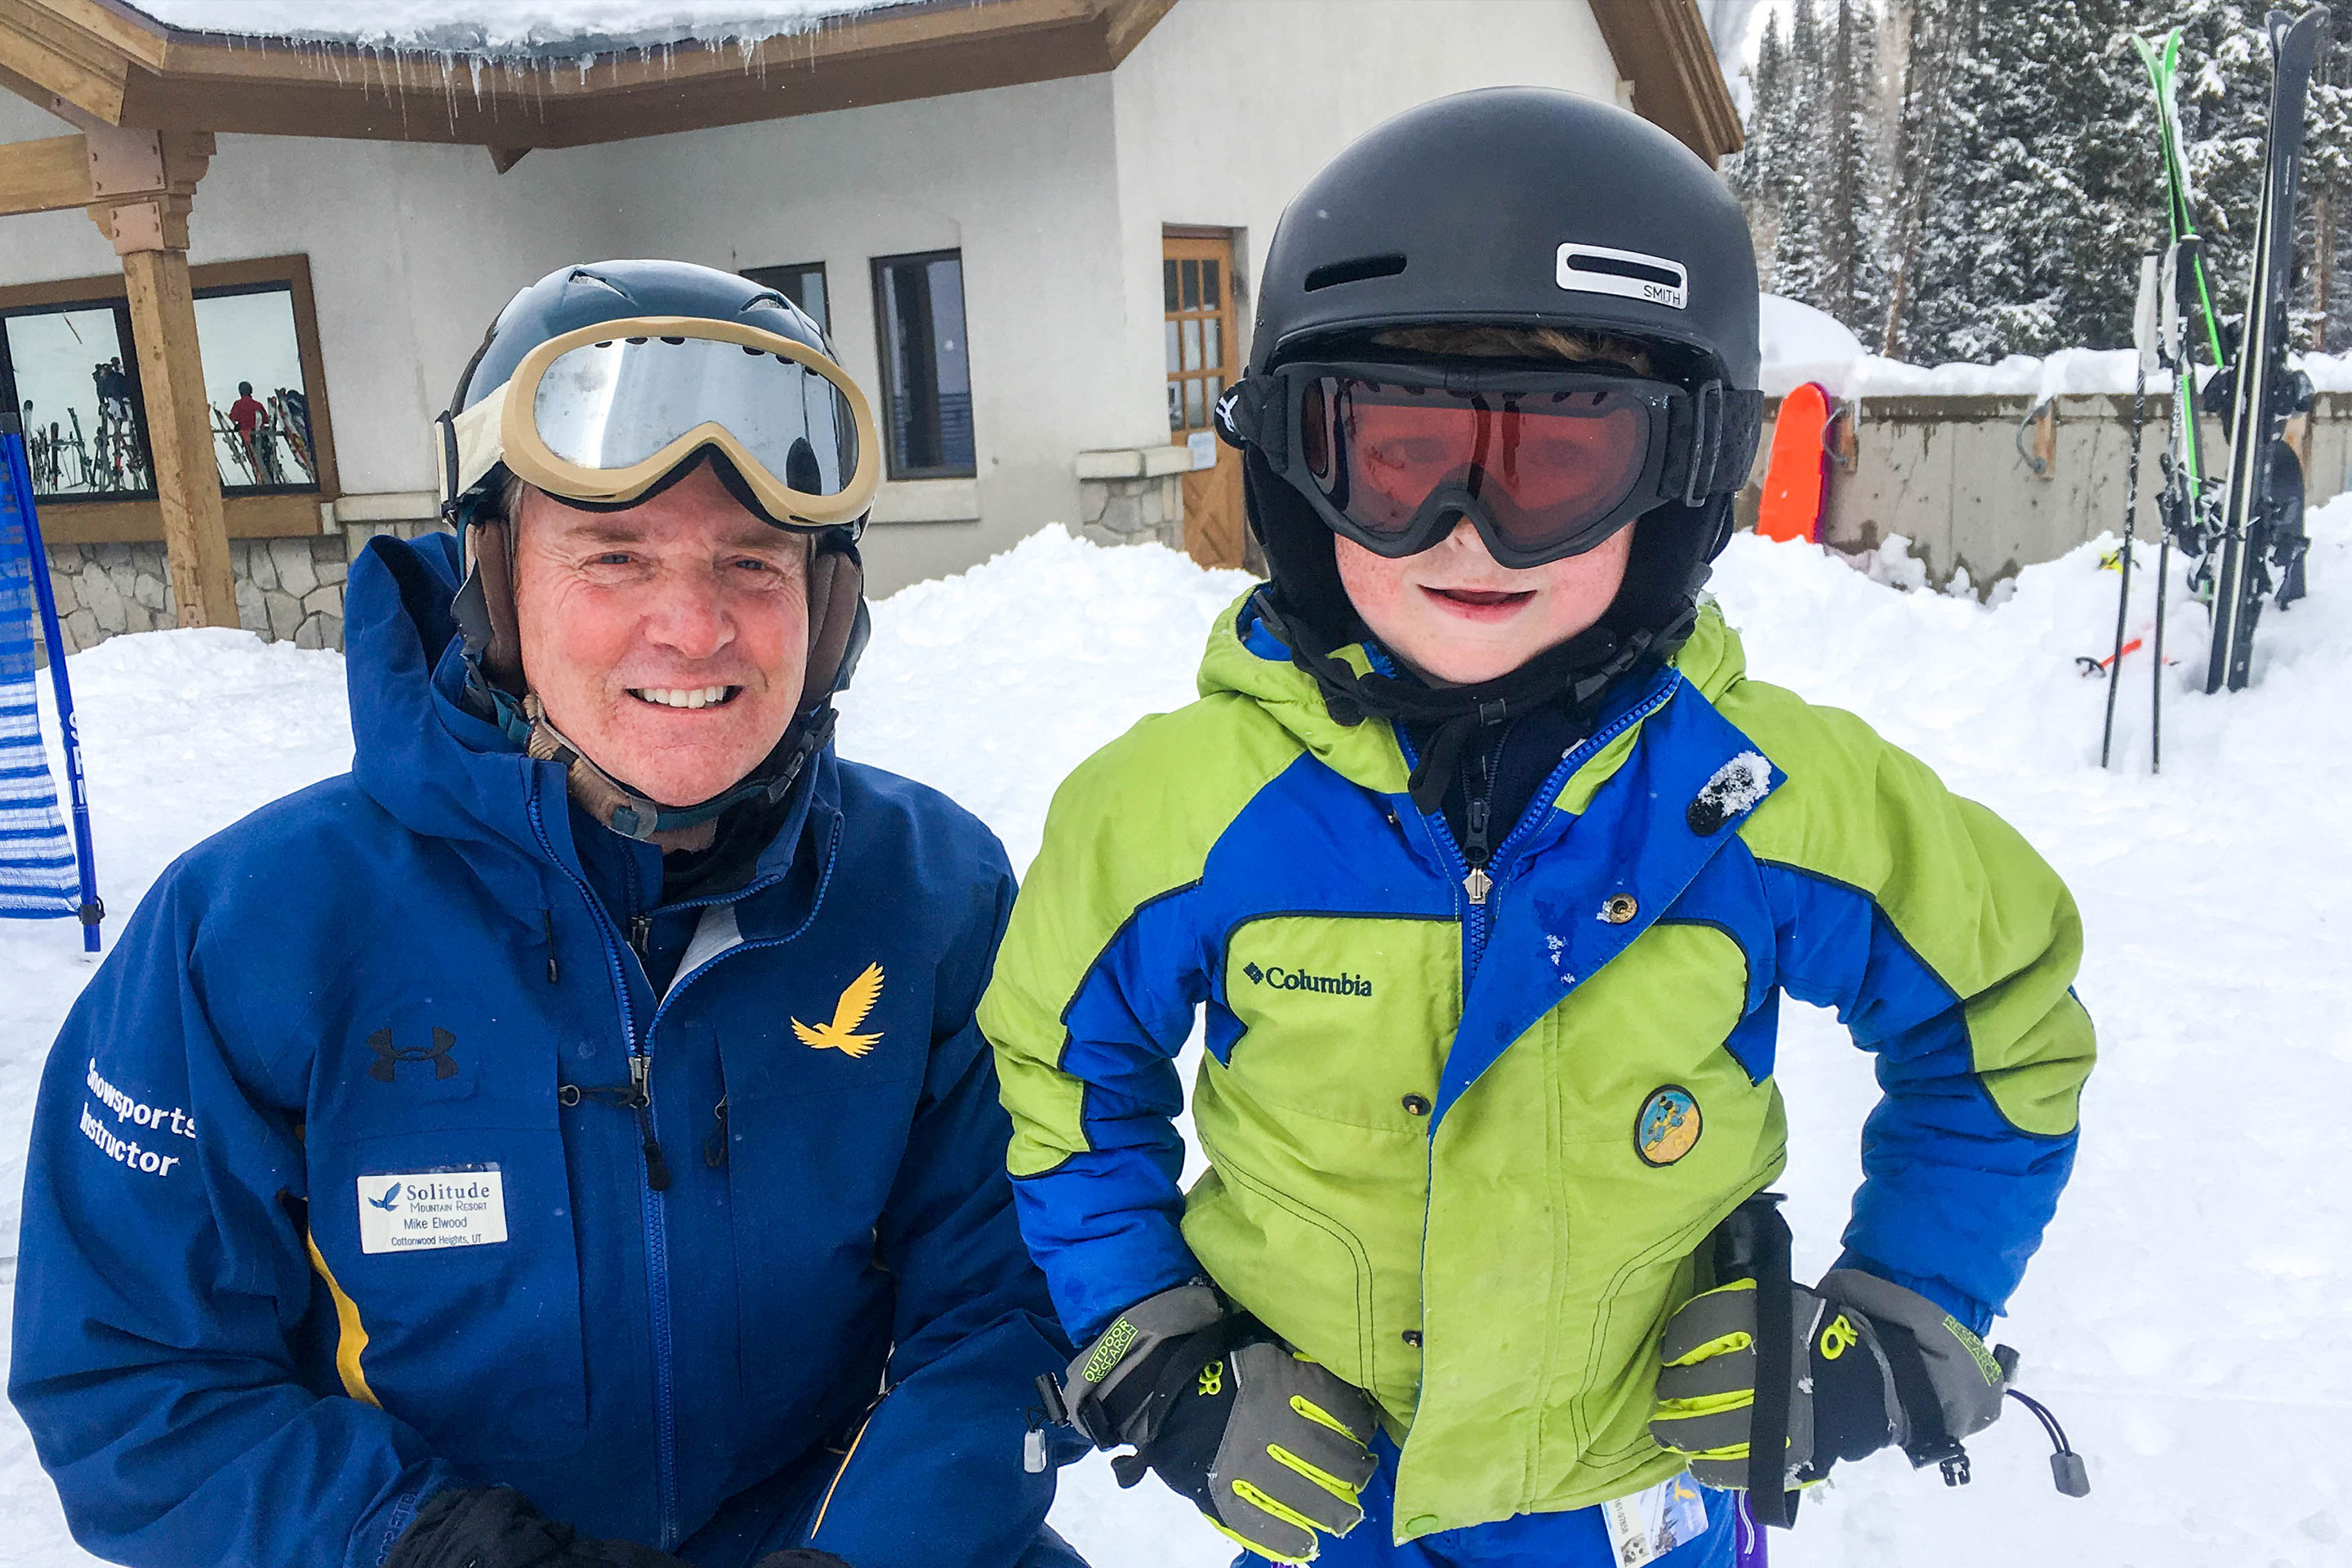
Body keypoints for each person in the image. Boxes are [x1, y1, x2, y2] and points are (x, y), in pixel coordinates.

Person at [981, 91, 2095, 1568]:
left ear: (1679, 479)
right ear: (1304, 472)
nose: (1469, 532)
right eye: (1400, 456)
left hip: (1643, 1514)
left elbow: (2002, 1014)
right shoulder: (1178, 813)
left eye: (1557, 465)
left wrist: (1908, 1312)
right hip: (1330, 1509)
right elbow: (1060, 1071)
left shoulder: (1759, 796)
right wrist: (1157, 1344)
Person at [12, 261, 1085, 1568]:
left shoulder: (930, 897)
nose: (692, 628)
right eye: (614, 555)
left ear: (830, 607)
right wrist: (425, 1544)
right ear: (494, 585)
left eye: (752, 562)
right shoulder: (251, 934)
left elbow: (1012, 1305)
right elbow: (131, 1384)